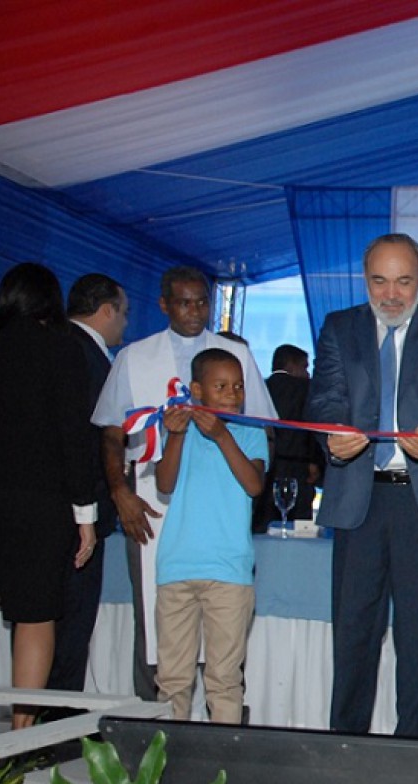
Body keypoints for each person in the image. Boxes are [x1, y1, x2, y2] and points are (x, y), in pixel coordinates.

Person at [307, 233, 418, 737]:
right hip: (358, 499)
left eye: (403, 281)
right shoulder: (339, 327)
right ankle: (346, 745)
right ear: (365, 279)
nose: (392, 294)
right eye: (380, 281)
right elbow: (325, 397)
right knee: (353, 634)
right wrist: (333, 433)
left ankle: (411, 751)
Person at [93, 266, 274, 700]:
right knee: (155, 620)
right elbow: (113, 433)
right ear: (163, 305)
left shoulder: (234, 354)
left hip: (219, 506)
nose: (195, 311)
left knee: (224, 637)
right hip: (150, 496)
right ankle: (154, 716)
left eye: (202, 302)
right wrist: (120, 492)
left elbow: (264, 427)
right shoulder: (133, 356)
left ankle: (222, 716)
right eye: (184, 303)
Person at [0, 263, 97, 728]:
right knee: (35, 617)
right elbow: (75, 437)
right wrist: (85, 515)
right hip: (41, 505)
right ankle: (20, 738)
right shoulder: (64, 351)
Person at [154, 348, 267, 723]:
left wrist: (222, 436)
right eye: (221, 386)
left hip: (229, 572)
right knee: (172, 679)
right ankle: (168, 751)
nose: (233, 394)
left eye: (238, 386)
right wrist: (175, 436)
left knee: (224, 679)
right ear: (197, 390)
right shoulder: (179, 429)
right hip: (177, 567)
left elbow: (253, 485)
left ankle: (224, 753)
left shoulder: (251, 431)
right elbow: (164, 483)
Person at [46, 274, 129, 697]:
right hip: (82, 509)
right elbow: (87, 441)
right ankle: (57, 716)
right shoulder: (88, 359)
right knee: (71, 623)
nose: (125, 323)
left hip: (43, 507)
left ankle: (34, 711)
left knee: (42, 619)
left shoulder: (52, 346)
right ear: (107, 310)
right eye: (124, 313)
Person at [254, 344, 320, 531]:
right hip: (299, 468)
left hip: (264, 467)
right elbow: (313, 427)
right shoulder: (307, 389)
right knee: (299, 529)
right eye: (304, 367)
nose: (307, 373)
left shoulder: (259, 388)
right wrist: (314, 461)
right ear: (291, 365)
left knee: (263, 525)